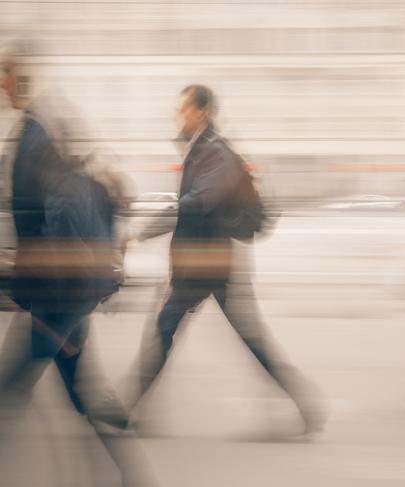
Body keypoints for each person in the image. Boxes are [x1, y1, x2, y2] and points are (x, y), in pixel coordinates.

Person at [0, 42, 157, 487]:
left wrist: (48, 302)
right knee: (81, 392)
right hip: (63, 294)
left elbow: (61, 222)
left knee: (4, 393)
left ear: (17, 80)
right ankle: (134, 475)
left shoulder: (38, 137)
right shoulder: (45, 128)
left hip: (59, 296)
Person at [127, 84, 327, 438]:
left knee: (166, 329)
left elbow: (196, 203)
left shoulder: (215, 152)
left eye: (183, 109)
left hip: (208, 265)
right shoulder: (203, 149)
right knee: (225, 335)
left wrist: (143, 231)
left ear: (201, 112)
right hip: (206, 264)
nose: (178, 115)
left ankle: (127, 410)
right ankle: (305, 406)